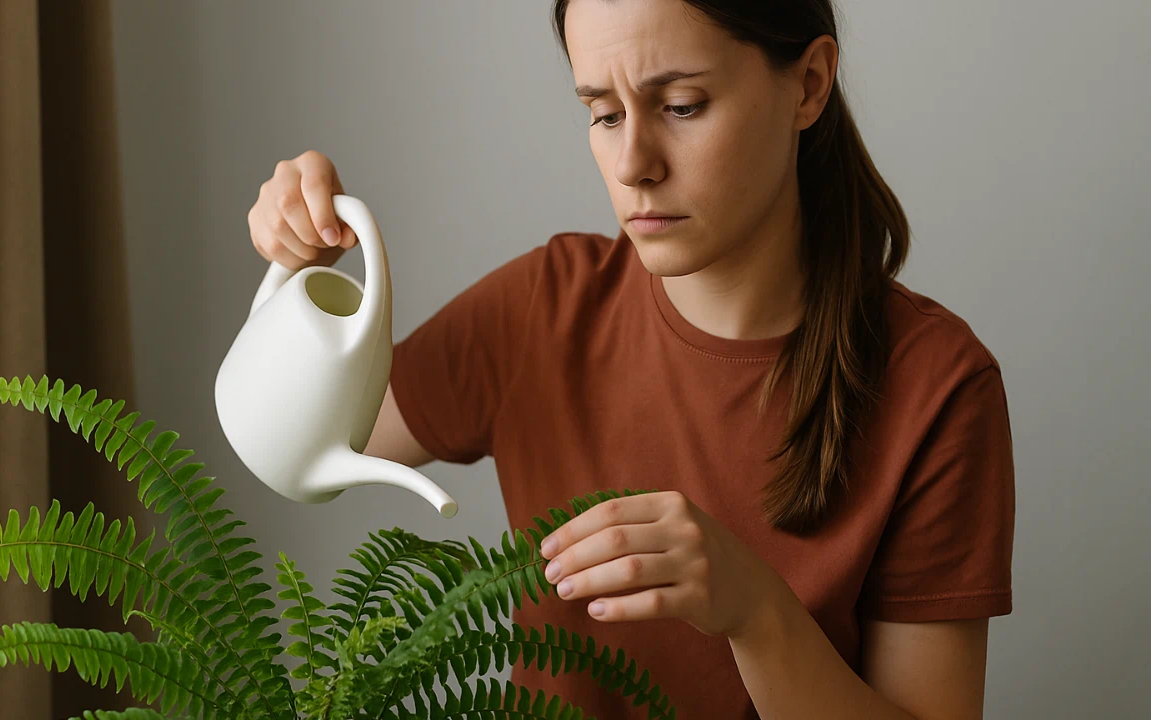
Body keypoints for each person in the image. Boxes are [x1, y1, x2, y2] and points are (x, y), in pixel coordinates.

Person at [245, 1, 1015, 718]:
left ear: (808, 85)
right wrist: (298, 270)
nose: (633, 163)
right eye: (604, 114)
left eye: (681, 105)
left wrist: (757, 614)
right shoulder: (539, 311)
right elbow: (300, 447)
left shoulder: (936, 387)